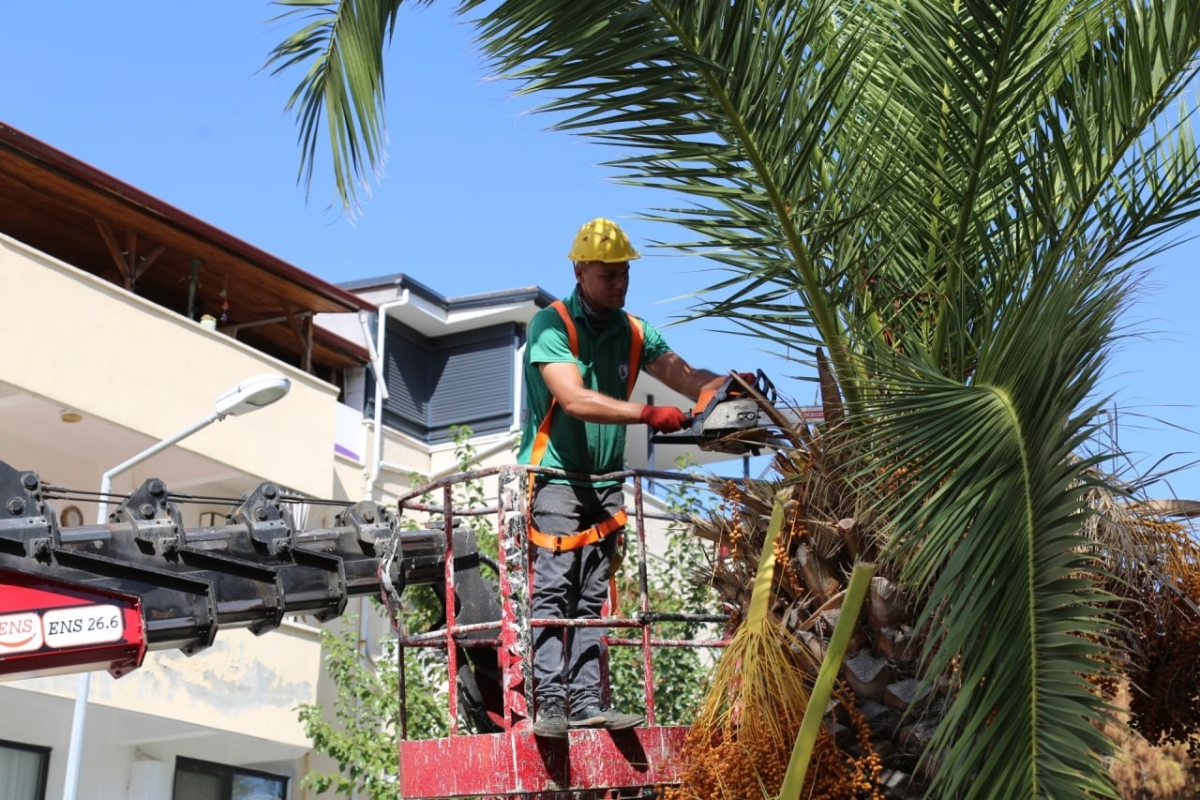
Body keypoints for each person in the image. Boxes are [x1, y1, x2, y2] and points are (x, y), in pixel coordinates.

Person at [518, 217, 746, 739]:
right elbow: (574, 400)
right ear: (580, 271)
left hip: (604, 483)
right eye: (608, 275)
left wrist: (726, 389)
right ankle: (549, 704)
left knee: (592, 593)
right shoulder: (552, 326)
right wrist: (646, 415)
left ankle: (583, 703)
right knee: (555, 589)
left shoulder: (636, 330)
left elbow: (687, 379)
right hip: (555, 478)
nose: (619, 285)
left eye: (624, 274)